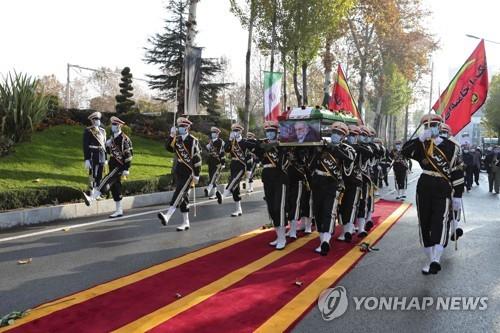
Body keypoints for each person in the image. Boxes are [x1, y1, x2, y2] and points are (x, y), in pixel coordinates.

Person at [402, 114, 464, 275]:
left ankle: (436, 259)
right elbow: (404, 151)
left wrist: (458, 195)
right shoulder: (421, 145)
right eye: (428, 126)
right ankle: (429, 260)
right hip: (425, 186)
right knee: (425, 221)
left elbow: (457, 171)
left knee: (440, 221)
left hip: (443, 187)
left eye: (435, 125)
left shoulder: (452, 147)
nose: (432, 128)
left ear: (440, 125)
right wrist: (419, 139)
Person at [309, 122, 354, 256]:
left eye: (339, 134)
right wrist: (318, 150)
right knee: (318, 210)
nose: (336, 135)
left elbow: (348, 160)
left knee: (329, 211)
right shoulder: (322, 146)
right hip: (318, 182)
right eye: (335, 132)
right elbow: (311, 163)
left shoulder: (346, 149)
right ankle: (322, 240)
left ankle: (326, 241)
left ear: (343, 137)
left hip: (332, 183)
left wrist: (333, 148)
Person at [83, 117, 133, 218]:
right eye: (112, 125)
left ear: (119, 126)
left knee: (106, 179)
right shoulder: (112, 138)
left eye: (115, 125)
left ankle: (91, 199)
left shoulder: (124, 139)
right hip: (113, 165)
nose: (113, 127)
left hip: (119, 166)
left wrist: (127, 168)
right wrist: (107, 145)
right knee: (115, 187)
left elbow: (129, 154)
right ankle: (119, 210)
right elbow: (110, 152)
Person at [158, 117, 201, 231]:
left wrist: (196, 175)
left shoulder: (193, 141)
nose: (180, 128)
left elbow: (197, 159)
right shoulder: (177, 139)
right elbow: (168, 148)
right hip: (180, 170)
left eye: (182, 126)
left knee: (179, 192)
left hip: (189, 172)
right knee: (183, 197)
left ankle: (167, 216)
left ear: (187, 127)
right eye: (179, 126)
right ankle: (186, 222)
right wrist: (171, 135)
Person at [254, 121, 290, 250]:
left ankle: (282, 238)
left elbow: (285, 159)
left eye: (272, 131)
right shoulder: (263, 144)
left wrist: (277, 145)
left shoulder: (283, 145)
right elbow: (256, 150)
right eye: (267, 131)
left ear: (276, 132)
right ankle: (278, 235)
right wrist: (263, 145)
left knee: (278, 207)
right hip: (267, 176)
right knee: (271, 207)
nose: (269, 133)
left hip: (280, 178)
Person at [217, 123, 256, 216]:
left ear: (240, 132)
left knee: (233, 179)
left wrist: (249, 170)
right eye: (233, 131)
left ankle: (223, 195)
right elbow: (226, 150)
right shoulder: (232, 142)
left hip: (242, 166)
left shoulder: (245, 142)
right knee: (235, 188)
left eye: (236, 131)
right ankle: (238, 209)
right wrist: (230, 140)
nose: (235, 132)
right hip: (233, 164)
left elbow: (249, 156)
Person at [337, 124, 363, 242]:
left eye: (354, 135)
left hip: (354, 181)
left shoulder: (357, 148)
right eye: (350, 135)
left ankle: (349, 229)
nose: (351, 137)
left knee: (351, 206)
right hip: (343, 182)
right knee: (341, 208)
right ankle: (345, 230)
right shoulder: (341, 146)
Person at [286, 146, 313, 239]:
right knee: (290, 205)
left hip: (302, 180)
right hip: (289, 181)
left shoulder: (302, 148)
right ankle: (295, 227)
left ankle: (308, 225)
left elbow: (304, 162)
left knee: (305, 203)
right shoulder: (286, 147)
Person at [83, 111, 107, 198]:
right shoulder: (89, 130)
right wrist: (87, 158)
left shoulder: (103, 131)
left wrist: (106, 158)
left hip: (102, 155)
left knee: (100, 175)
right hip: (93, 154)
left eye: (99, 119)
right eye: (96, 119)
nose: (98, 121)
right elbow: (85, 145)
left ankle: (97, 193)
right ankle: (92, 191)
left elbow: (104, 145)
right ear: (92, 120)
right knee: (93, 174)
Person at [204, 126, 225, 199]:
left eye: (214, 133)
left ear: (217, 134)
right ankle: (215, 193)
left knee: (214, 176)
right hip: (211, 162)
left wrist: (223, 163)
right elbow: (208, 150)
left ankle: (209, 189)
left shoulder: (220, 141)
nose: (213, 134)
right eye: (212, 133)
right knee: (211, 177)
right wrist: (208, 146)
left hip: (217, 162)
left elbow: (222, 153)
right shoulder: (210, 141)